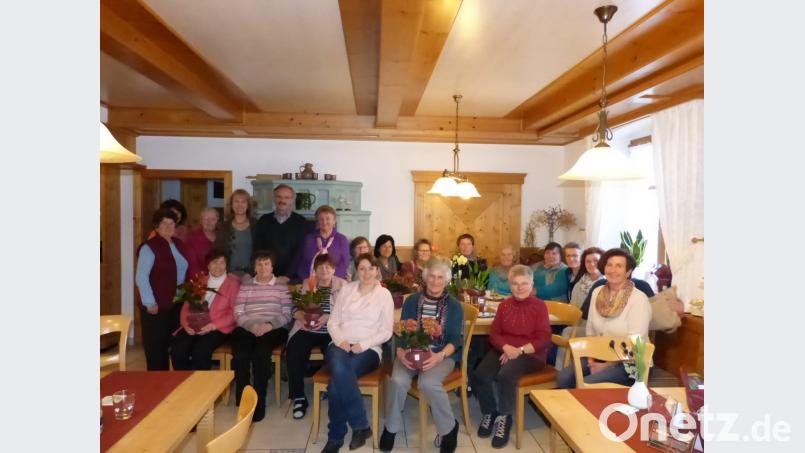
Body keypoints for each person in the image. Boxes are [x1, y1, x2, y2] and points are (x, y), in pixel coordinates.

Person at [380, 256, 462, 453]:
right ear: (425, 278)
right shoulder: (413, 301)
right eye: (431, 276)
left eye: (440, 277)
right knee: (398, 380)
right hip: (409, 351)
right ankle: (391, 428)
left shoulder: (454, 305)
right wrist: (400, 352)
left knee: (427, 383)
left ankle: (449, 429)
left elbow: (455, 340)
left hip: (441, 354)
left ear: (446, 280)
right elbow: (401, 331)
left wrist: (439, 356)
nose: (435, 281)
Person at [472, 265, 552, 448]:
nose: (520, 287)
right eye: (515, 283)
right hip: (505, 349)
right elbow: (494, 334)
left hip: (531, 353)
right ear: (510, 285)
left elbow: (544, 338)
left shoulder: (540, 306)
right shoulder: (504, 304)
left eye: (524, 283)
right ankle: (489, 411)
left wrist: (519, 350)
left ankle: (504, 417)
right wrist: (507, 347)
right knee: (480, 374)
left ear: (532, 284)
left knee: (505, 375)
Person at [320, 254, 394, 453]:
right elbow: (332, 322)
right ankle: (361, 425)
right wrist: (341, 340)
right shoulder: (346, 290)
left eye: (371, 268)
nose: (367, 272)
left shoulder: (384, 295)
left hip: (369, 349)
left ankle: (335, 437)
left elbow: (387, 331)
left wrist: (363, 344)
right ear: (355, 271)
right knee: (339, 372)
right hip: (339, 344)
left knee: (335, 386)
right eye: (362, 268)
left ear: (377, 270)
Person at [557, 248, 652, 388]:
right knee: (564, 377)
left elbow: (635, 342)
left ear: (628, 271)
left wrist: (607, 365)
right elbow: (590, 330)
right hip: (598, 354)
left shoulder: (638, 299)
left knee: (589, 383)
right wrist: (590, 359)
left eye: (619, 266)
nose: (613, 270)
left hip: (631, 361)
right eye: (609, 265)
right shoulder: (597, 292)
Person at [231, 250, 292, 422]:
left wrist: (268, 325)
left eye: (266, 264)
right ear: (254, 267)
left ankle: (259, 400)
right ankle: (243, 399)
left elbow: (287, 314)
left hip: (273, 328)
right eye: (259, 264)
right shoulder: (246, 285)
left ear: (272, 266)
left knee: (260, 354)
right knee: (241, 354)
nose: (263, 267)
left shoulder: (281, 286)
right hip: (248, 326)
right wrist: (252, 326)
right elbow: (238, 311)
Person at [286, 254, 348, 420]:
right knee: (293, 350)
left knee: (334, 354)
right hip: (307, 328)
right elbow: (295, 307)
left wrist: (328, 316)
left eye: (327, 267)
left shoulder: (342, 285)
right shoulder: (308, 283)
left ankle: (330, 389)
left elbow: (348, 311)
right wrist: (301, 316)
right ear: (315, 270)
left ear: (333, 269)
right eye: (320, 267)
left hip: (331, 331)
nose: (324, 270)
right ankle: (298, 396)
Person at [135, 207, 189, 370]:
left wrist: (182, 297)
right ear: (156, 226)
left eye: (171, 223)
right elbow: (141, 277)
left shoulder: (178, 244)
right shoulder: (149, 247)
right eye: (164, 223)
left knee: (177, 348)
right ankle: (157, 388)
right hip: (155, 308)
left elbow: (180, 274)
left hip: (175, 305)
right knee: (156, 352)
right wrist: (149, 303)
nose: (168, 226)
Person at [171, 249, 240, 370]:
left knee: (200, 352)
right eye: (214, 262)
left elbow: (235, 313)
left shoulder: (233, 284)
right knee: (178, 349)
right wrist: (186, 324)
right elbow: (186, 307)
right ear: (208, 265)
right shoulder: (199, 281)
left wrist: (213, 325)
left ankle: (201, 386)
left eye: (221, 262)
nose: (218, 266)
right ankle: (184, 384)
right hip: (193, 324)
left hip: (218, 328)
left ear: (226, 265)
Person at [254, 184, 311, 283]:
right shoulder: (264, 220)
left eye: (286, 197)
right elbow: (258, 249)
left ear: (292, 200)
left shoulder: (301, 222)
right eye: (279, 197)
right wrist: (266, 273)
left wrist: (287, 276)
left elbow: (300, 252)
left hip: (293, 278)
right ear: (274, 198)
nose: (282, 200)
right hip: (267, 276)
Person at [298, 205, 351, 280]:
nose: (324, 221)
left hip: (334, 281)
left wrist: (326, 278)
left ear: (334, 221)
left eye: (328, 218)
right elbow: (303, 261)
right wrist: (306, 279)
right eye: (321, 219)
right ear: (317, 221)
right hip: (310, 280)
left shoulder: (342, 239)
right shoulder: (308, 238)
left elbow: (344, 264)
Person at [215, 189, 257, 276]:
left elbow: (261, 251)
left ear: (248, 205)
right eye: (236, 201)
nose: (239, 205)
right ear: (231, 205)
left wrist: (253, 273)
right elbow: (218, 251)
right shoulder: (223, 227)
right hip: (228, 274)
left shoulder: (257, 225)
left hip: (252, 275)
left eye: (243, 201)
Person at [185, 207, 220, 277]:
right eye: (206, 219)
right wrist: (204, 279)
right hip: (198, 279)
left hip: (219, 277)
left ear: (217, 221)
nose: (209, 222)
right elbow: (192, 265)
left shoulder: (221, 236)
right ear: (201, 220)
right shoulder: (191, 237)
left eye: (213, 219)